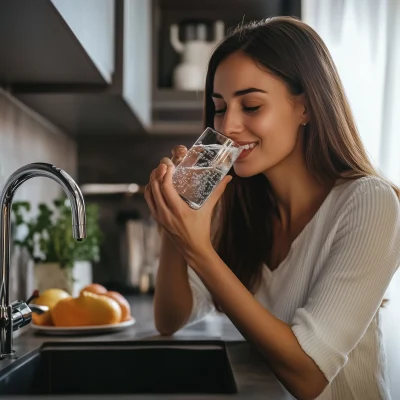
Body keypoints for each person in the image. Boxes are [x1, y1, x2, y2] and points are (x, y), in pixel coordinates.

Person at [144, 16, 400, 400]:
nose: (228, 125)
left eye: (251, 105)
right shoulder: (237, 206)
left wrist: (196, 247)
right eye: (219, 107)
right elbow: (170, 319)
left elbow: (310, 377)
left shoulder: (370, 202)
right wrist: (175, 217)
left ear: (307, 108)